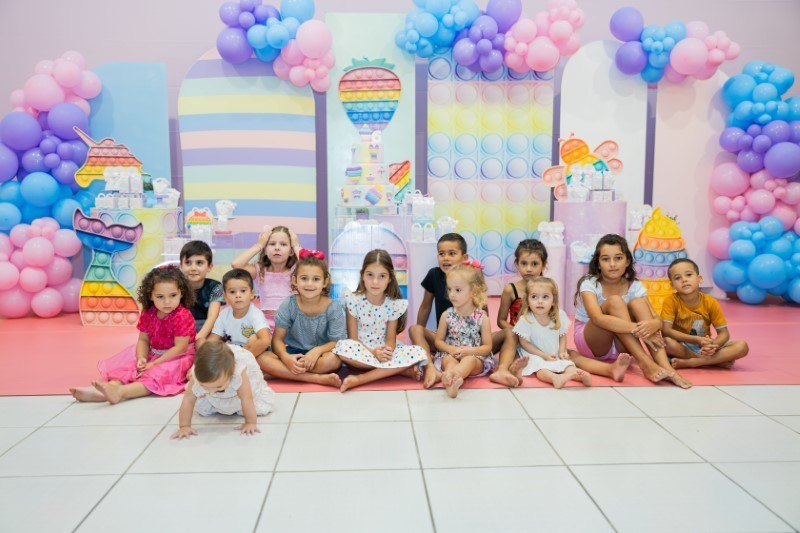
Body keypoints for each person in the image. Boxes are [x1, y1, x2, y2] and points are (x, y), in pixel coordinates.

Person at [571, 234, 692, 388]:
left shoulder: (634, 286)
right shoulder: (589, 283)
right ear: (598, 263)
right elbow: (597, 319)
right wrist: (639, 328)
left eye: (618, 258)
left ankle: (667, 368)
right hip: (593, 342)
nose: (612, 264)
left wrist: (653, 324)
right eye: (606, 259)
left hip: (624, 346)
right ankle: (645, 363)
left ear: (627, 261)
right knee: (615, 301)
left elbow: (657, 319)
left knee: (638, 303)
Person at [69, 266, 197, 404]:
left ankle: (121, 392)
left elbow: (180, 348)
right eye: (160, 297)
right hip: (154, 354)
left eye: (173, 295)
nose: (167, 302)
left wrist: (154, 363)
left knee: (156, 375)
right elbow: (143, 340)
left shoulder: (182, 315)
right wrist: (141, 358)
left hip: (177, 358)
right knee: (130, 369)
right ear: (150, 296)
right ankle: (107, 389)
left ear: (181, 293)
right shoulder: (149, 313)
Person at [334, 249, 427, 392]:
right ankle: (398, 370)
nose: (375, 282)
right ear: (362, 276)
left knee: (418, 352)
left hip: (383, 352)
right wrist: (373, 352)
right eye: (370, 275)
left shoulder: (393, 305)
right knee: (343, 348)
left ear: (390, 278)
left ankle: (360, 379)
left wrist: (385, 352)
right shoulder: (353, 300)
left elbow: (391, 341)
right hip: (361, 350)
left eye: (382, 276)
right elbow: (353, 340)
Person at [258, 250, 346, 387]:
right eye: (304, 278)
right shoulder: (289, 304)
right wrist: (286, 358)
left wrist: (317, 351)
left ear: (325, 281)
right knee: (262, 358)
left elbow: (337, 342)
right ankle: (315, 378)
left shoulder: (333, 307)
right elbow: (277, 340)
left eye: (316, 279)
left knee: (333, 361)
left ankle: (280, 373)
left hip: (321, 355)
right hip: (293, 352)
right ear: (295, 280)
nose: (309, 284)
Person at [171, 341, 275, 439]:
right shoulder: (198, 373)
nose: (211, 391)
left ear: (231, 375)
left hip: (240, 391)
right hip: (217, 391)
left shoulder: (238, 373)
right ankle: (216, 396)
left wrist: (250, 422)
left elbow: (246, 398)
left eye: (218, 387)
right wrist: (184, 426)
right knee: (203, 407)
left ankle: (231, 401)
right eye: (205, 386)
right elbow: (188, 399)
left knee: (255, 407)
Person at [661, 258, 749, 369]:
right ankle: (713, 361)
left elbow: (724, 333)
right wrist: (696, 340)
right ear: (672, 285)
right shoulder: (670, 301)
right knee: (666, 343)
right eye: (677, 278)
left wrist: (713, 345)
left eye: (688, 275)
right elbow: (666, 331)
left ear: (699, 279)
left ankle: (694, 362)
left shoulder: (710, 302)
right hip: (682, 346)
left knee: (742, 346)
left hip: (705, 346)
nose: (684, 280)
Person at [409, 232, 468, 388]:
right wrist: (420, 340)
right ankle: (430, 368)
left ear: (464, 257)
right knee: (415, 330)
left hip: (469, 341)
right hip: (442, 341)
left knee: (508, 334)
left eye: (452, 253)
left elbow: (483, 310)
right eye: (442, 254)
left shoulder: (472, 277)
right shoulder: (434, 274)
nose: (446, 258)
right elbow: (425, 306)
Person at [513, 277, 592, 388]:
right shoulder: (525, 319)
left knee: (567, 364)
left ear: (553, 300)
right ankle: (555, 378)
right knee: (540, 369)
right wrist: (543, 355)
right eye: (534, 297)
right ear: (527, 301)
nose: (540, 301)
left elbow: (562, 336)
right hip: (534, 354)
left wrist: (562, 351)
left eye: (545, 297)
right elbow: (524, 343)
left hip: (553, 353)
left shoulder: (559, 315)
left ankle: (577, 375)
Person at [490, 239, 548, 387]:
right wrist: (517, 332)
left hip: (538, 340)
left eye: (534, 264)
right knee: (515, 356)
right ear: (517, 264)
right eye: (524, 263)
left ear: (543, 264)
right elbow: (501, 321)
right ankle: (509, 372)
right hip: (516, 339)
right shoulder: (511, 290)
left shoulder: (549, 289)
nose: (529, 269)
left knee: (561, 356)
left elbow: (553, 317)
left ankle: (515, 371)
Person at [434, 260, 494, 398]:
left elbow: (487, 347)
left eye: (458, 290)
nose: (452, 294)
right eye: (449, 289)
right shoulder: (447, 315)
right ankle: (451, 381)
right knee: (448, 361)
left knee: (469, 361)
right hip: (451, 354)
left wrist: (469, 351)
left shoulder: (482, 317)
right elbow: (438, 342)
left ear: (473, 292)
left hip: (475, 357)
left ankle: (454, 376)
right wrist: (450, 349)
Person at [231, 225, 297, 331]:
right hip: (266, 324)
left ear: (291, 251)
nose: (277, 248)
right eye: (272, 244)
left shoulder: (297, 271)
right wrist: (260, 244)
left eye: (283, 244)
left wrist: (296, 245)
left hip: (291, 324)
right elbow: (236, 264)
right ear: (265, 249)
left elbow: (313, 266)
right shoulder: (260, 270)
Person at [208, 269, 272, 358]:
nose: (238, 295)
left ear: (252, 294)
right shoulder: (223, 314)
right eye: (232, 292)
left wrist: (244, 358)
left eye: (243, 291)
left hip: (254, 352)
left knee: (255, 340)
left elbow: (265, 341)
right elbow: (213, 340)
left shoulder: (255, 314)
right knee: (205, 344)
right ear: (225, 296)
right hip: (234, 353)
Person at [180, 240, 223, 347]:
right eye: (188, 263)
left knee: (206, 345)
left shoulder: (216, 287)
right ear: (181, 266)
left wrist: (198, 337)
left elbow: (212, 317)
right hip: (181, 329)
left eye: (199, 263)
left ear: (209, 267)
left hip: (208, 329)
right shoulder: (176, 287)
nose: (193, 268)